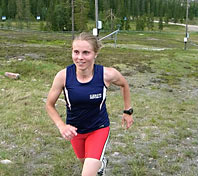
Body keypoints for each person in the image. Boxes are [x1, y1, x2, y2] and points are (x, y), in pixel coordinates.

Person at [45, 32, 134, 176]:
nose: (80, 58)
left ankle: (97, 165)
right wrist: (61, 126)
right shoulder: (63, 76)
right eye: (76, 52)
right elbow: (49, 104)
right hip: (76, 131)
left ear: (95, 54)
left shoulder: (107, 74)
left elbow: (124, 84)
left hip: (98, 129)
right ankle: (101, 164)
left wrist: (127, 111)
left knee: (87, 173)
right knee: (85, 162)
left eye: (86, 52)